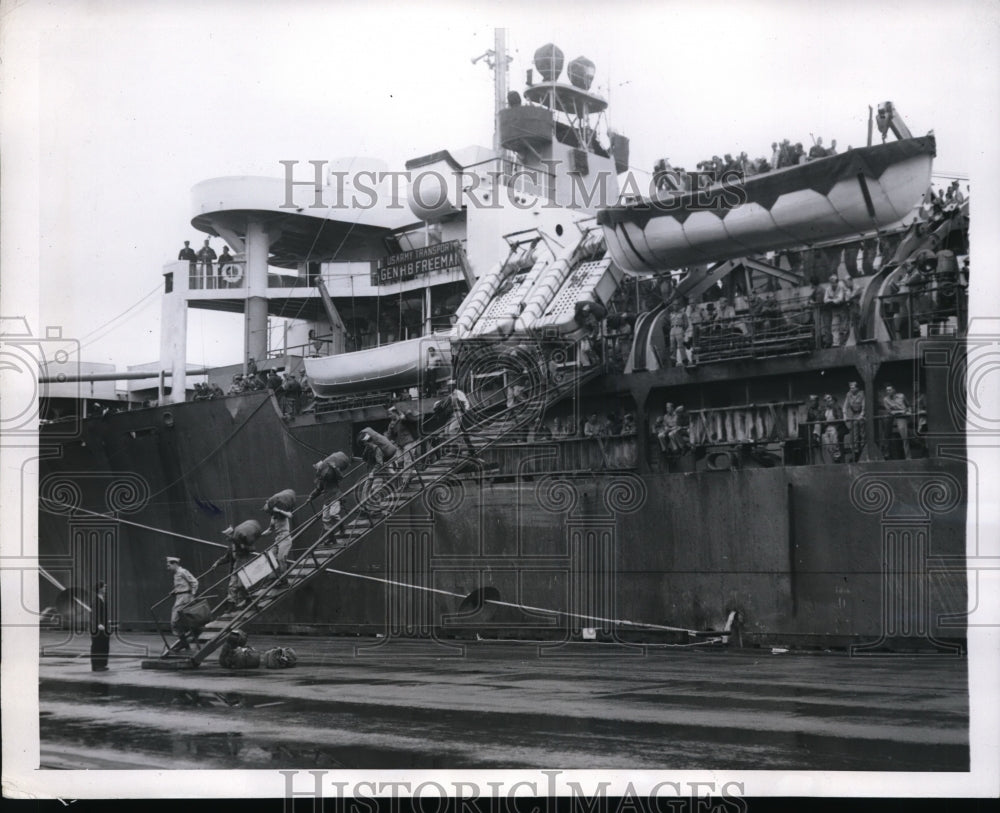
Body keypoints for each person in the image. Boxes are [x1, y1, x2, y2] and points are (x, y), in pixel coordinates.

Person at [215, 520, 261, 610]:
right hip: (236, 567)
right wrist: (217, 563)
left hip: (244, 565)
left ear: (232, 534)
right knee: (232, 585)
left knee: (241, 585)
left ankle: (249, 600)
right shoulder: (232, 546)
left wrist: (245, 547)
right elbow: (227, 557)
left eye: (228, 535)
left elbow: (253, 549)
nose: (227, 537)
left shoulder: (242, 540)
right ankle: (231, 605)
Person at [309, 453, 347, 544]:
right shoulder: (322, 479)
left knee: (333, 514)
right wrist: (310, 497)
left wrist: (335, 468)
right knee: (325, 519)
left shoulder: (332, 473)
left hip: (335, 496)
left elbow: (341, 477)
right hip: (327, 499)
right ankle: (331, 538)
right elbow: (318, 489)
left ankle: (342, 528)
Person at [166, 556, 199, 651]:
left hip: (184, 598)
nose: (168, 568)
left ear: (175, 564)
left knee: (174, 621)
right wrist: (175, 591)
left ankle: (184, 642)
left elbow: (194, 582)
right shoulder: (176, 574)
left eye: (169, 565)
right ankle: (185, 643)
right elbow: (182, 585)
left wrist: (192, 594)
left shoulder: (182, 572)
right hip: (179, 597)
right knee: (180, 621)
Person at [261, 489, 295, 568]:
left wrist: (279, 510)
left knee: (281, 559)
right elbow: (270, 530)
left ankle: (284, 578)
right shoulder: (273, 518)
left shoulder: (282, 515)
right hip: (278, 539)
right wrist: (261, 534)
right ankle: (275, 576)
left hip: (285, 537)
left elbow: (290, 515)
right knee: (270, 557)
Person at [882, 384, 911, 459]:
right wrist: (900, 411)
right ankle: (887, 455)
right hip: (893, 417)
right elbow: (889, 411)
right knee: (886, 435)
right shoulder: (885, 399)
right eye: (887, 390)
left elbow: (908, 406)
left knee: (905, 437)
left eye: (890, 390)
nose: (888, 392)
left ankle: (908, 457)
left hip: (902, 417)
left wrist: (908, 411)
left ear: (894, 390)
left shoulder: (901, 396)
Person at [90, 581, 110, 671]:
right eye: (104, 587)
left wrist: (107, 621)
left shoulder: (102, 599)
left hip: (104, 626)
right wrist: (98, 624)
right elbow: (94, 614)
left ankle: (102, 664)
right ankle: (96, 665)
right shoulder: (96, 601)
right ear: (100, 589)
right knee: (97, 646)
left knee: (104, 645)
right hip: (98, 628)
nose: (105, 589)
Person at [843, 381, 866, 461]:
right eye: (850, 388)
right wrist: (845, 415)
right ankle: (856, 453)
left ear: (857, 388)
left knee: (863, 434)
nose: (851, 389)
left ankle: (863, 450)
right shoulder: (848, 394)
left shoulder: (861, 393)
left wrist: (862, 415)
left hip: (862, 414)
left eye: (853, 387)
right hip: (854, 414)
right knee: (854, 434)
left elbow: (864, 405)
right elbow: (845, 406)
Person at [820, 394, 844, 463]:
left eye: (829, 398)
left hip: (835, 427)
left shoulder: (836, 407)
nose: (827, 400)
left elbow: (840, 418)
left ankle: (837, 457)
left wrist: (835, 426)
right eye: (825, 399)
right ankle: (832, 458)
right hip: (827, 427)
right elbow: (821, 417)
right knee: (826, 442)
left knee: (834, 440)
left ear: (833, 399)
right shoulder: (824, 409)